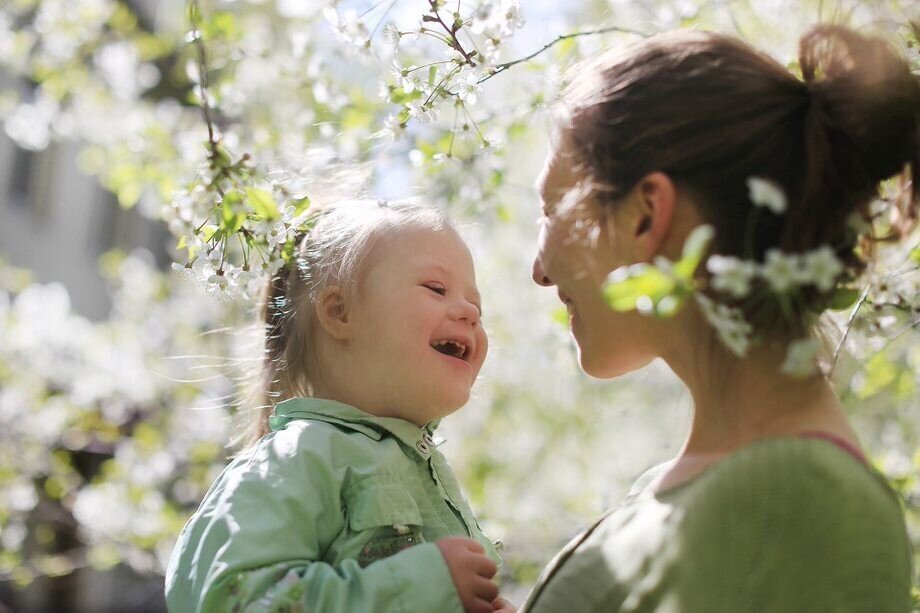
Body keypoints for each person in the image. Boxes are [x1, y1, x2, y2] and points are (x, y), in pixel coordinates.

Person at [525, 25, 917, 611]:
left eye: (552, 208)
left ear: (646, 214)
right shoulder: (699, 492)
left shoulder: (802, 507)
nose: (539, 269)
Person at [165, 199, 512, 613]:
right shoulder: (294, 462)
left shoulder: (419, 469)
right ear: (340, 311)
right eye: (436, 289)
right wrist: (421, 585)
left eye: (477, 305)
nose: (470, 313)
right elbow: (240, 601)